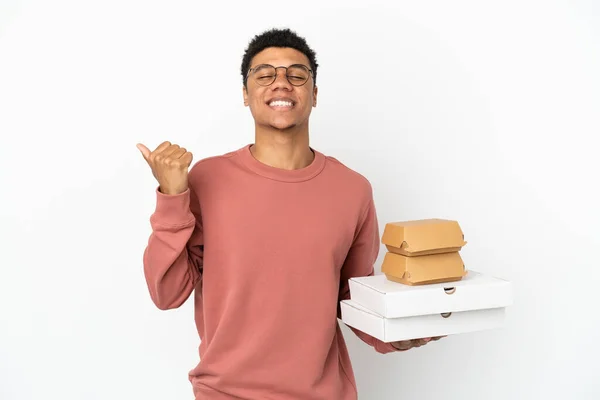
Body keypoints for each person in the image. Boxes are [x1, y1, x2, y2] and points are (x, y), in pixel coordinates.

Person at [137, 27, 442, 400]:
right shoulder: (206, 179)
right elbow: (167, 293)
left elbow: (351, 295)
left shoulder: (353, 190)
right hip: (225, 393)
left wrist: (397, 335)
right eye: (264, 74)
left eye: (296, 74)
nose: (281, 83)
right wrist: (172, 195)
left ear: (314, 95)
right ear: (246, 96)